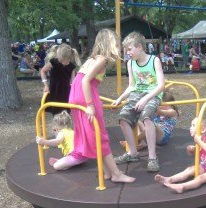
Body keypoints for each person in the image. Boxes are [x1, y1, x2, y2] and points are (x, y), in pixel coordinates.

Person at [68, 28, 135, 183]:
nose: (119, 48)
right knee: (100, 135)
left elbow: (80, 80)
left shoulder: (92, 58)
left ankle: (106, 172)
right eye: (117, 44)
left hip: (76, 96)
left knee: (94, 134)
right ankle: (116, 174)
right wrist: (91, 104)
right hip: (86, 96)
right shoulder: (102, 60)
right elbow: (85, 82)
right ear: (110, 44)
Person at [112, 31, 165, 172]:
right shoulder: (130, 63)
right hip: (137, 93)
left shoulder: (154, 60)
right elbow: (132, 86)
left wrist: (145, 99)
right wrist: (120, 98)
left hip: (152, 93)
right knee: (123, 118)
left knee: (146, 117)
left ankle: (152, 157)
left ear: (140, 47)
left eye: (129, 49)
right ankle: (133, 153)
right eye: (126, 50)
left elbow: (161, 85)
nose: (127, 53)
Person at [155, 117, 206, 194]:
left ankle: (182, 186)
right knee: (189, 169)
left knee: (200, 178)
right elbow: (194, 156)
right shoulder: (200, 139)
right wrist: (192, 150)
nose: (190, 128)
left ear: (203, 129)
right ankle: (170, 179)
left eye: (193, 125)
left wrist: (198, 141)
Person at [40, 43, 81, 116]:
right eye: (60, 59)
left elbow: (73, 80)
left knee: (65, 112)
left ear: (68, 57)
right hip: (54, 90)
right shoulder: (53, 62)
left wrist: (75, 89)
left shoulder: (71, 66)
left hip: (65, 93)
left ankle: (64, 126)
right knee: (55, 113)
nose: (62, 62)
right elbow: (43, 71)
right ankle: (56, 126)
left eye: (63, 60)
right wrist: (45, 85)